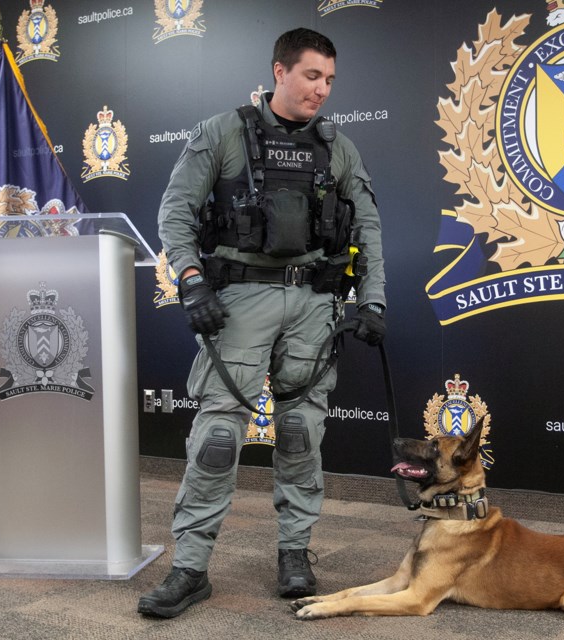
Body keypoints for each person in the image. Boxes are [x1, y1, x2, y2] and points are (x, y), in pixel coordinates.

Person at [138, 27, 387, 618]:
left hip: (314, 305)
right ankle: (190, 567)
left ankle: (295, 554)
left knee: (300, 433)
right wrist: (191, 280)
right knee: (219, 437)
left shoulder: (338, 147)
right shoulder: (222, 133)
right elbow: (175, 211)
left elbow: (368, 228)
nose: (321, 89)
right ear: (278, 72)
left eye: (329, 79)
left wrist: (373, 301)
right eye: (310, 76)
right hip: (240, 301)